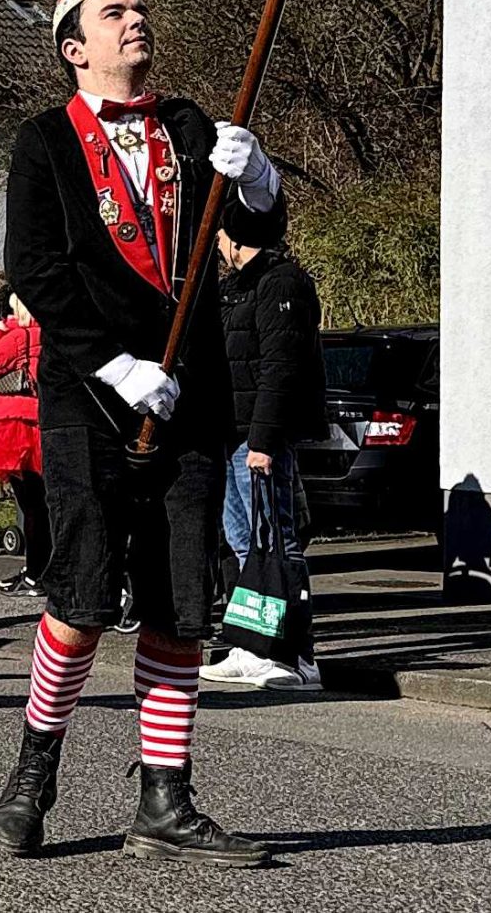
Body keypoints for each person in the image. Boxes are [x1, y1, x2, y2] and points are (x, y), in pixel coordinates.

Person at [0, 0, 277, 866]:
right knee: (78, 591)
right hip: (91, 397)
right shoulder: (44, 143)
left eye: (141, 7)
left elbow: (251, 234)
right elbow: (38, 268)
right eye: (116, 10)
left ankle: (165, 797)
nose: (136, 19)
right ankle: (37, 761)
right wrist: (115, 364)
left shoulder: (191, 124)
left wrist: (260, 180)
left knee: (178, 602)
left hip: (190, 396)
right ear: (74, 45)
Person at [200, 194, 325, 690]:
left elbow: (280, 367)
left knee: (276, 540)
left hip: (257, 437)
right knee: (244, 543)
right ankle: (250, 643)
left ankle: (295, 655)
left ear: (234, 237)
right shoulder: (237, 288)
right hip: (231, 434)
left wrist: (265, 439)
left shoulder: (281, 283)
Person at [0, 297, 48, 596]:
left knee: (31, 507)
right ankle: (40, 568)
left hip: (13, 429)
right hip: (39, 425)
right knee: (43, 504)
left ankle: (35, 572)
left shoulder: (17, 336)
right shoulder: (47, 336)